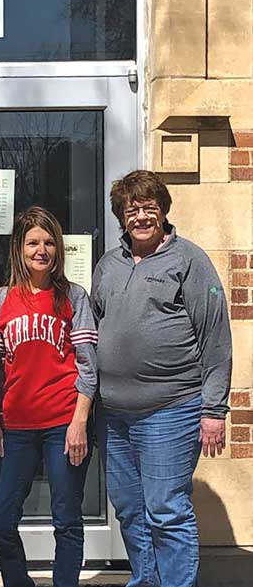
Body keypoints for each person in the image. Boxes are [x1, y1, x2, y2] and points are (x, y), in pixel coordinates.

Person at [91, 170, 232, 587]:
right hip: (114, 414)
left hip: (170, 410)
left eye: (149, 208)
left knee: (166, 510)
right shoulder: (108, 264)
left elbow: (216, 340)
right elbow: (96, 326)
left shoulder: (190, 261)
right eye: (132, 210)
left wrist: (214, 410)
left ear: (163, 210)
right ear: (121, 216)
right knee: (130, 509)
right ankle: (146, 581)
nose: (141, 217)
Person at [0, 206, 98, 587]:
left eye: (50, 242)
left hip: (63, 424)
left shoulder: (73, 297)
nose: (42, 250)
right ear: (19, 247)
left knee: (66, 519)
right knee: (0, 519)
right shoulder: (2, 299)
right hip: (14, 427)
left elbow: (88, 366)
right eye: (34, 242)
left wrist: (79, 422)